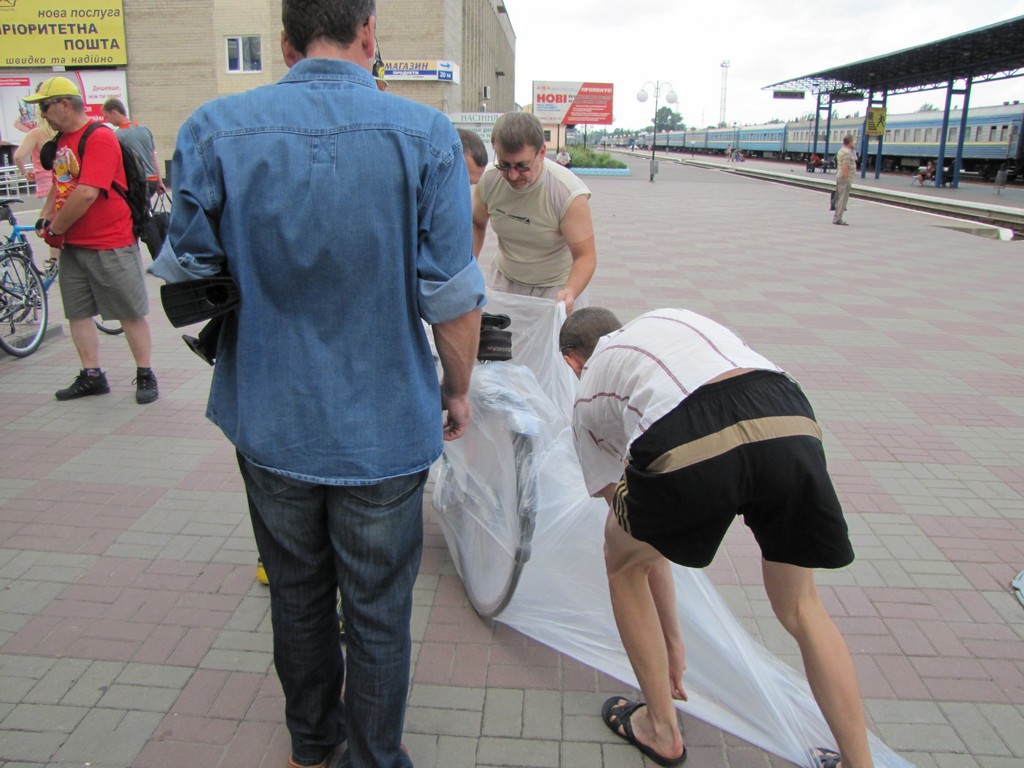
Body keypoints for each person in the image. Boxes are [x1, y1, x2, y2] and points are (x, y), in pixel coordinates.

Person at [150, 1, 485, 766]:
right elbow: (453, 296)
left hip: (273, 418)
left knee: (297, 596)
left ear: (284, 44)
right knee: (378, 611)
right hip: (386, 428)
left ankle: (311, 745)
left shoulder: (213, 129)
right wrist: (456, 388)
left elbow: (188, 271)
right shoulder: (427, 135)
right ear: (369, 33)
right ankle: (374, 758)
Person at [559, 307, 875, 768]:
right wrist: (672, 639)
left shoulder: (588, 397)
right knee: (802, 607)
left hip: (686, 427)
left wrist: (672, 642)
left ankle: (661, 729)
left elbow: (643, 544)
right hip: (786, 412)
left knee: (622, 561)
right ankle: (858, 764)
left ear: (571, 361)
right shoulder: (667, 318)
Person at [23, 76, 159, 404]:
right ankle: (92, 375)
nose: (43, 114)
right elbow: (61, 184)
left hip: (110, 241)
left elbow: (86, 192)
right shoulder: (63, 141)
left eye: (45, 107)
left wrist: (55, 230)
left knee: (129, 310)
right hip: (75, 244)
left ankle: (145, 373)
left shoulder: (99, 137)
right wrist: (46, 217)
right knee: (78, 312)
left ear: (65, 105)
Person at [472, 111, 596, 314]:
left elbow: (585, 256)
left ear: (542, 152)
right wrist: (468, 266)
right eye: (504, 164)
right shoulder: (490, 180)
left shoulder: (566, 192)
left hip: (555, 288)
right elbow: (476, 224)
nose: (512, 175)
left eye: (522, 166)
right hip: (505, 281)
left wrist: (570, 291)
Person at [13, 99, 58, 268]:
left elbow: (18, 156)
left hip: (45, 183)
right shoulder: (60, 132)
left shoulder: (36, 134)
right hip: (64, 180)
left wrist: (25, 172)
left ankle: (54, 262)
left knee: (49, 223)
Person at [101, 98, 167, 197]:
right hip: (152, 180)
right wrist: (160, 182)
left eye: (107, 116)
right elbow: (153, 158)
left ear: (114, 113)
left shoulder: (117, 135)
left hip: (137, 182)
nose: (107, 120)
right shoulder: (145, 130)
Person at [833, 134, 856, 226]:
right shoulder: (846, 153)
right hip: (844, 178)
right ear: (850, 142)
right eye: (852, 141)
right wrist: (847, 179)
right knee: (843, 199)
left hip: (840, 176)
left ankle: (837, 217)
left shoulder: (841, 150)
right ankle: (838, 218)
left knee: (839, 198)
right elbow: (845, 167)